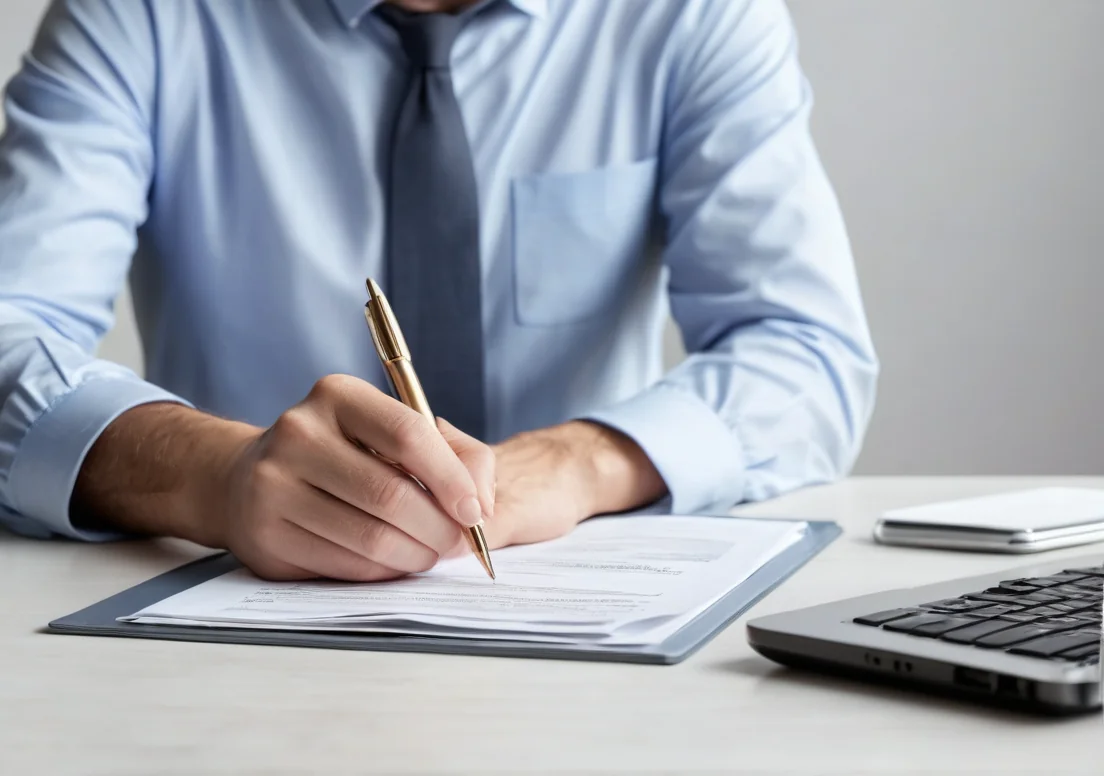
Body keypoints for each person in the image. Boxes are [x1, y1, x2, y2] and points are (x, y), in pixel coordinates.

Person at [0, 0, 878, 581]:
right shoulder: (138, 14)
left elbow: (803, 351)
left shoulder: (692, 14)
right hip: (236, 605)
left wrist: (580, 462)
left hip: (585, 602)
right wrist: (215, 475)